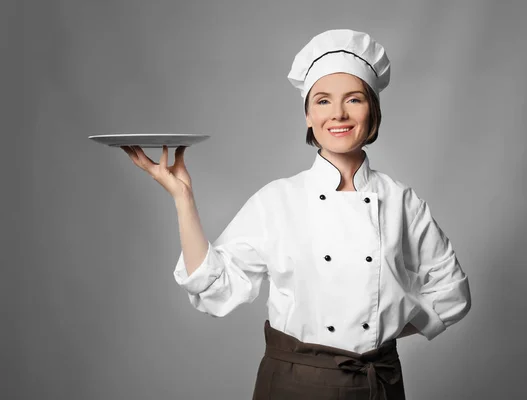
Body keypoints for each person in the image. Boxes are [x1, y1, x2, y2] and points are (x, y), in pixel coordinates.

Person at [121, 29, 471, 400]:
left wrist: (381, 328)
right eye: (322, 101)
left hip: (376, 381)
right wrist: (183, 198)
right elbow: (215, 288)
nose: (338, 113)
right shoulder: (278, 199)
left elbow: (451, 293)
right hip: (294, 384)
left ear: (373, 111)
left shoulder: (401, 201)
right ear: (307, 115)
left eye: (353, 99)